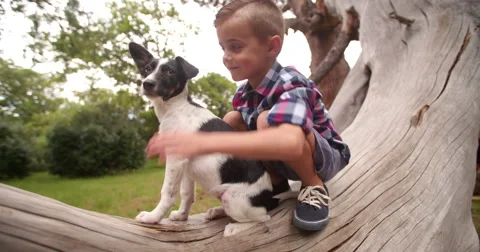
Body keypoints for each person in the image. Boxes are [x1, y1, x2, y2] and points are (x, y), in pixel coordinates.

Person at [146, 0, 350, 231]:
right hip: (281, 160)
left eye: (235, 47)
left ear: (272, 47)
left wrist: (202, 141)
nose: (226, 56)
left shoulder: (291, 82)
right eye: (223, 48)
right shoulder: (243, 94)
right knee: (232, 120)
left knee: (265, 121)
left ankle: (314, 187)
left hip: (324, 157)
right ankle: (274, 187)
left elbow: (291, 142)